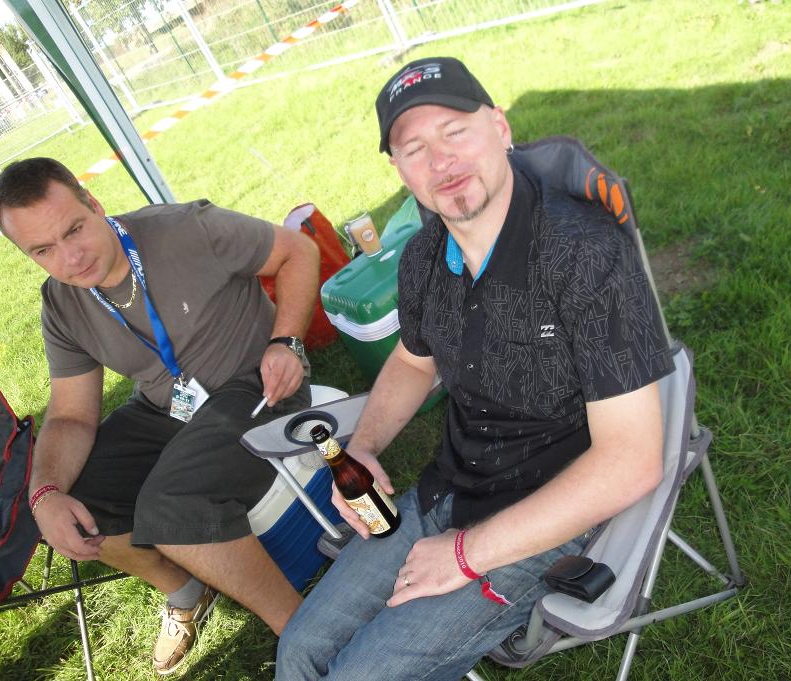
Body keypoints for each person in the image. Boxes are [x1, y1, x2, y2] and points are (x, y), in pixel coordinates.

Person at [275, 57, 675, 680]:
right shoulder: (423, 258)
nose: (441, 161)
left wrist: (464, 556)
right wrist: (367, 447)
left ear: (500, 128)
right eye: (415, 149)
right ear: (399, 170)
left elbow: (631, 461)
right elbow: (412, 361)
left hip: (551, 512)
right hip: (447, 490)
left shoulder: (584, 251)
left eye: (455, 131)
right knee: (298, 651)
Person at [0, 158, 320, 675]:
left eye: (74, 229)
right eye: (43, 250)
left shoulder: (184, 229)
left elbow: (298, 250)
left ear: (95, 205)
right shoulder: (62, 304)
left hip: (257, 385)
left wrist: (287, 342)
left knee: (171, 506)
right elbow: (71, 415)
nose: (71, 258)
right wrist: (45, 493)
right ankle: (185, 589)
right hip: (169, 408)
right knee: (77, 501)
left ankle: (307, 634)